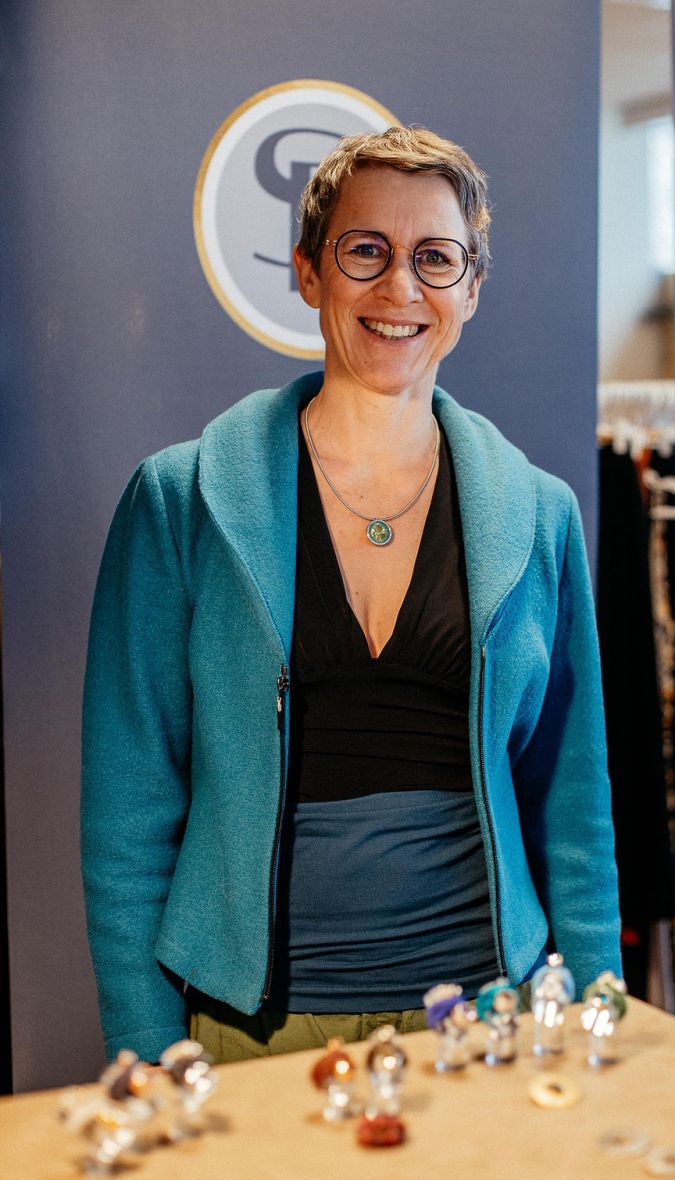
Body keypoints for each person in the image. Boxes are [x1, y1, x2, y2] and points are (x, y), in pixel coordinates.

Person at [81, 126, 621, 1065]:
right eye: (366, 250)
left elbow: (572, 804)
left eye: (436, 258)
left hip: (487, 1020)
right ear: (308, 271)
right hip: (256, 1034)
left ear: (471, 290)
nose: (400, 287)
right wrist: (145, 1038)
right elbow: (128, 806)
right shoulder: (179, 501)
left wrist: (597, 1004)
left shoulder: (543, 515)